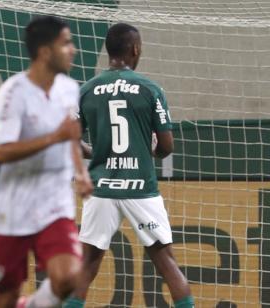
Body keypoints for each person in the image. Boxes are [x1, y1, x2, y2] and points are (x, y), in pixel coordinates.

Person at [63, 23, 195, 308]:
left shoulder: (87, 90)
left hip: (102, 188)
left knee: (87, 265)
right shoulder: (150, 89)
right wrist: (151, 151)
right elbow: (167, 147)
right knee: (166, 262)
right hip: (141, 188)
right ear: (135, 49)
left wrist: (97, 152)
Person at [0, 15, 93, 308]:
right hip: (12, 206)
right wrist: (53, 138)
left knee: (69, 277)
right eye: (66, 43)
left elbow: (71, 135)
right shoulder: (13, 93)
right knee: (5, 297)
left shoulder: (69, 88)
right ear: (45, 52)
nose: (73, 49)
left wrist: (81, 173)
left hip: (54, 202)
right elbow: (2, 152)